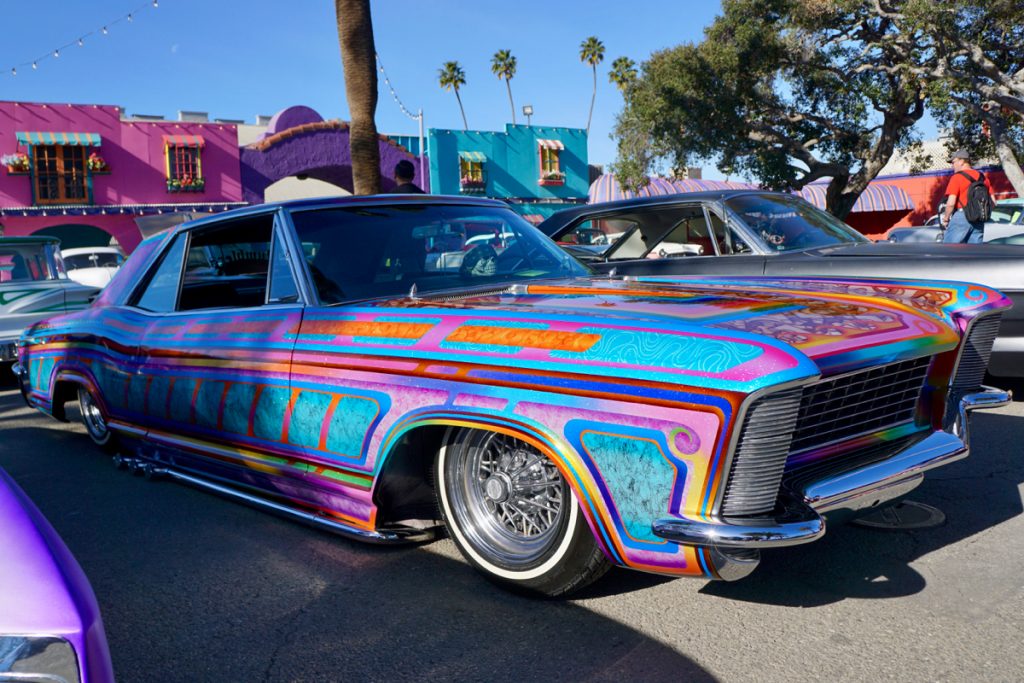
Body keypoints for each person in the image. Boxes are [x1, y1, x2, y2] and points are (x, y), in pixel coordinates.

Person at [940, 149, 994, 243]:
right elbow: (993, 202)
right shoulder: (983, 178)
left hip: (962, 216)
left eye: (953, 162)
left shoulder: (957, 177)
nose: (952, 165)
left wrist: (946, 218)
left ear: (961, 161)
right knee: (974, 254)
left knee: (948, 251)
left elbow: (951, 203)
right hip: (979, 219)